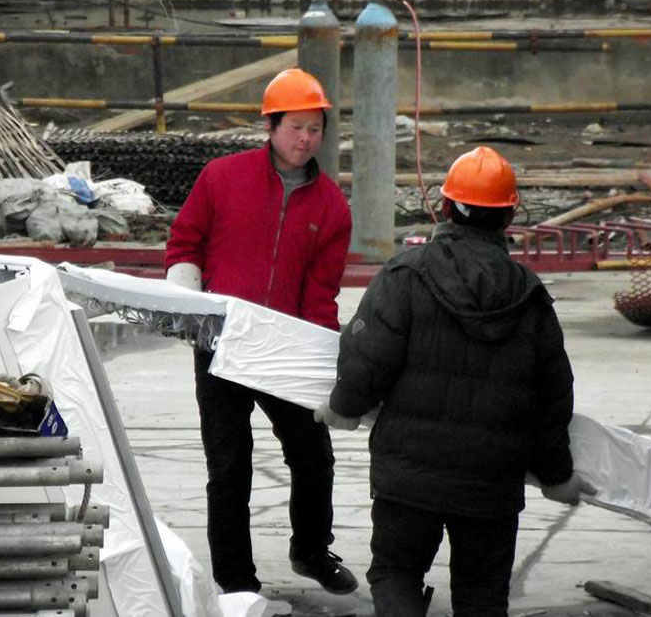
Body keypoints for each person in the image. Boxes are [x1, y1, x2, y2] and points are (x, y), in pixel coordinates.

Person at [315, 146, 595, 615]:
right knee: (482, 595)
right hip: (491, 487)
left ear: (445, 207)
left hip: (409, 477)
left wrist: (341, 408)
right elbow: (552, 398)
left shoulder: (404, 276)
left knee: (396, 574)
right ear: (508, 217)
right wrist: (556, 476)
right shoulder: (529, 297)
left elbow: (367, 358)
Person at [164, 68, 358, 595]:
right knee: (230, 468)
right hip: (221, 346)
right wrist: (186, 298)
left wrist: (322, 365)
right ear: (271, 126)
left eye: (315, 129)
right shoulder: (222, 178)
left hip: (284, 350)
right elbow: (185, 243)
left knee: (313, 456)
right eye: (295, 127)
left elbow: (322, 295)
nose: (305, 139)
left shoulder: (331, 207)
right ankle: (237, 581)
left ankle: (311, 551)